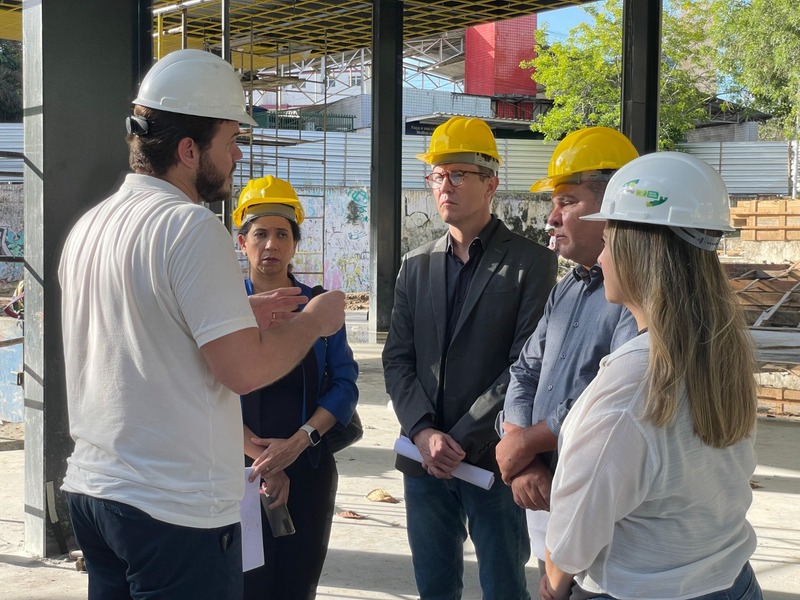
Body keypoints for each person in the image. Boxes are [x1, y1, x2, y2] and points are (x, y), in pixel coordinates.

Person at [58, 49, 345, 600]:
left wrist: (242, 316)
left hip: (97, 492)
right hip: (172, 509)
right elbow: (244, 370)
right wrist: (313, 322)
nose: (238, 155)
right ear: (189, 150)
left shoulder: (91, 226)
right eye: (230, 140)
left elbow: (142, 326)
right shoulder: (189, 226)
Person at [542, 152, 763, 600]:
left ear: (636, 249)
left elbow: (571, 536)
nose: (601, 256)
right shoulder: (718, 350)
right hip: (729, 581)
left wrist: (551, 589)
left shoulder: (636, 379)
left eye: (609, 241)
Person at [383, 115, 558, 600]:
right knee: (434, 587)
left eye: (459, 174)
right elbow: (397, 358)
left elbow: (527, 365)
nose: (446, 186)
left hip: (493, 461)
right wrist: (423, 432)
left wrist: (456, 440)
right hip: (424, 460)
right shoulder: (415, 266)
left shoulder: (530, 263)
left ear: (491, 183)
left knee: (504, 586)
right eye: (438, 175)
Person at [495, 127, 639, 588]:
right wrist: (523, 449)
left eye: (567, 202)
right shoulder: (568, 288)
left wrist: (525, 443)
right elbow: (526, 369)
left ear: (612, 206)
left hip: (597, 507)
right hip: (542, 491)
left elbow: (606, 399)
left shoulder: (634, 299)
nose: (551, 219)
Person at [232, 176, 359, 600]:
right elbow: (205, 388)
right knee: (242, 585)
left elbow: (344, 383)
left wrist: (299, 443)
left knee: (296, 586)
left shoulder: (319, 307)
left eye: (281, 234)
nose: (271, 245)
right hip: (237, 472)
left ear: (294, 243)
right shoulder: (223, 311)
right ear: (241, 241)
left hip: (307, 469)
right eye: (260, 233)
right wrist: (263, 459)